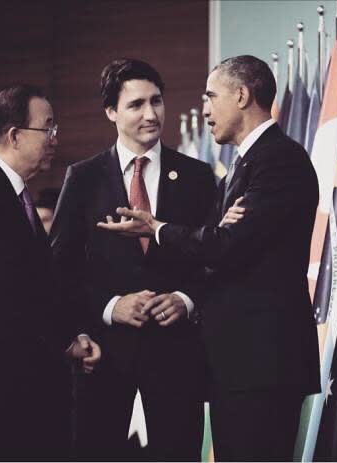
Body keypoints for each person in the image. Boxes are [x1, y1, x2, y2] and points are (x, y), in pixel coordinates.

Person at [98, 55, 321, 461]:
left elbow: (225, 245)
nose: (203, 109)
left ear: (241, 95)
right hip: (238, 363)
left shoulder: (280, 160)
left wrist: (158, 228)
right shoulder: (244, 166)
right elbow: (217, 244)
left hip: (263, 363)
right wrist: (220, 234)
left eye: (210, 96)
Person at [50, 58, 216, 460]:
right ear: (111, 112)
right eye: (136, 104)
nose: (150, 114)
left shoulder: (198, 176)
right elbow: (59, 270)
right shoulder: (83, 178)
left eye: (156, 101)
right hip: (104, 357)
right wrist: (110, 307)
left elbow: (217, 261)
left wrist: (185, 299)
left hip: (177, 358)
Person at [0, 84, 101, 457]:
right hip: (2, 392)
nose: (54, 139)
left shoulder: (11, 193)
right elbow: (8, 297)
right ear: (14, 135)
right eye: (47, 128)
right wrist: (68, 342)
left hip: (28, 387)